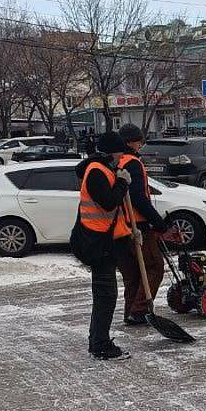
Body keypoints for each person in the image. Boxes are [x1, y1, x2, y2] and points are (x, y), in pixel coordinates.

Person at [74, 132, 134, 360]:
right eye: (120, 153)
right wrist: (122, 182)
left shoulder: (102, 169)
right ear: (111, 152)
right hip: (98, 244)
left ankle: (98, 341)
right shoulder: (97, 172)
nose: (121, 158)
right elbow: (108, 203)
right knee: (105, 296)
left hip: (103, 241)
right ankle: (100, 345)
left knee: (105, 295)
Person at [115, 123, 177, 326]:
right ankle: (140, 310)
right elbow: (139, 200)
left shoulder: (116, 162)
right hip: (136, 226)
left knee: (132, 274)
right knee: (154, 267)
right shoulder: (132, 163)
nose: (141, 144)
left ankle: (130, 312)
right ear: (130, 142)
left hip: (118, 227)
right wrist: (160, 225)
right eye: (138, 140)